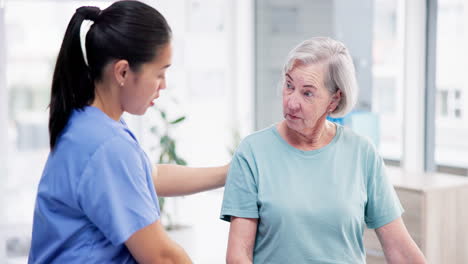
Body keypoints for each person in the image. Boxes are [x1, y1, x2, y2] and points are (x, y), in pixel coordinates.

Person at [28, 1, 228, 263]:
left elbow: (148, 177)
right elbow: (162, 257)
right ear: (122, 71)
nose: (163, 85)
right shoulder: (106, 145)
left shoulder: (88, 123)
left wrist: (228, 173)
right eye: (159, 73)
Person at [220, 37, 426, 263]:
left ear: (334, 100)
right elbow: (238, 255)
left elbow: (399, 248)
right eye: (289, 86)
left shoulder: (362, 153)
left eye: (307, 93)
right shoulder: (252, 153)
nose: (291, 102)